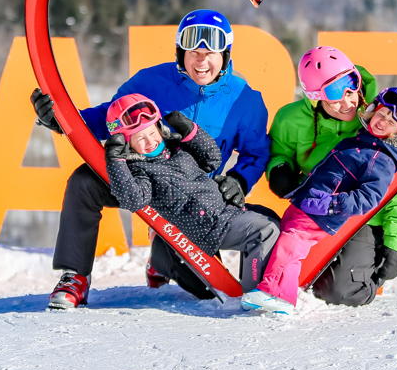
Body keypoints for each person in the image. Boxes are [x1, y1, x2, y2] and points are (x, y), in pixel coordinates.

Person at [31, 9, 271, 309]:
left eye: (210, 54)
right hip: (138, 182)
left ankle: (161, 257)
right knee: (84, 181)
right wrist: (62, 121)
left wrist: (239, 179)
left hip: (191, 201)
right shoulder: (151, 81)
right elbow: (108, 117)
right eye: (193, 53)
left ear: (225, 55)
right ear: (180, 53)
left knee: (207, 289)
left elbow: (256, 152)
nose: (201, 62)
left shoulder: (244, 99)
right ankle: (75, 276)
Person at [242, 86, 397, 315]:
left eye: (391, 122)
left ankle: (278, 294)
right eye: (381, 114)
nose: (382, 122)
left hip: (322, 210)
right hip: (309, 202)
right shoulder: (364, 140)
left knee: (292, 244)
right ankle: (274, 290)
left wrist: (331, 204)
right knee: (287, 239)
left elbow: (369, 198)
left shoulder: (381, 159)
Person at [100, 94, 279, 302]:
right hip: (205, 226)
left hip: (221, 212)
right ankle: (256, 295)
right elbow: (134, 200)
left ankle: (260, 280)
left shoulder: (176, 147)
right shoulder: (140, 169)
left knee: (270, 217)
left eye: (152, 132)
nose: (150, 141)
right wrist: (116, 162)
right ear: (126, 144)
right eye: (140, 139)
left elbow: (212, 160)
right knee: (263, 231)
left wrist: (190, 131)